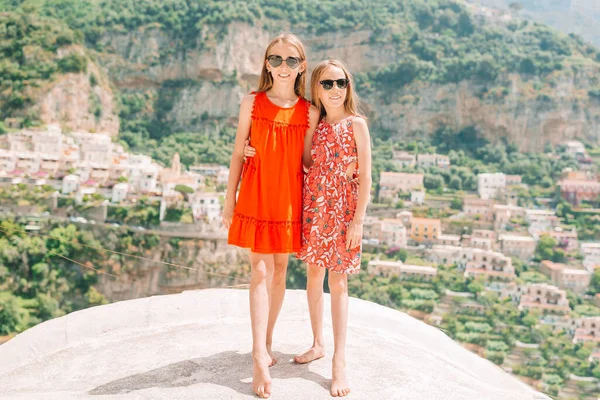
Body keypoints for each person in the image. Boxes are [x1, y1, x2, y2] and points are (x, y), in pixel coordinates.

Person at [245, 59, 372, 397]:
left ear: (349, 86)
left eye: (340, 83)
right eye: (327, 83)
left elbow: (368, 179)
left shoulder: (357, 124)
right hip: (315, 208)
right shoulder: (313, 121)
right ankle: (317, 344)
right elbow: (301, 161)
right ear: (316, 87)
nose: (335, 89)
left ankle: (338, 362)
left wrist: (358, 220)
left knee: (339, 281)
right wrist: (251, 149)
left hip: (343, 212)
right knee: (314, 276)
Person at [222, 33, 319, 399]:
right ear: (266, 63)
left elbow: (308, 161)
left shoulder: (308, 111)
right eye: (276, 59)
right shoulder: (252, 102)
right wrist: (229, 199)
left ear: (301, 66)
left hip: (289, 197)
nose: (283, 66)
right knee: (259, 270)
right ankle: (259, 358)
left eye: (291, 60)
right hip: (257, 192)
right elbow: (236, 154)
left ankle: (266, 341)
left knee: (280, 270)